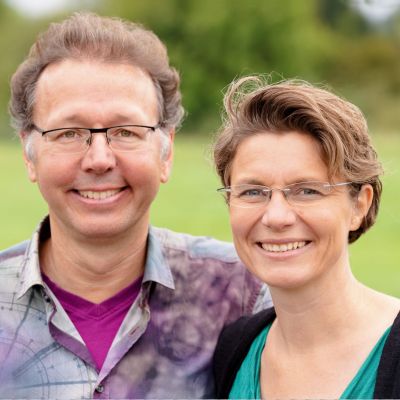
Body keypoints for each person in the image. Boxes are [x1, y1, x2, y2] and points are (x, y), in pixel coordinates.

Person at [0, 13, 271, 399]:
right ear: (30, 154)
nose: (99, 159)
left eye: (126, 131)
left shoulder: (242, 294)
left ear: (166, 152)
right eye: (69, 132)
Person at [212, 76, 400, 399]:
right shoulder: (233, 350)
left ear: (360, 204)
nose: (276, 217)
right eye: (253, 191)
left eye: (307, 191)